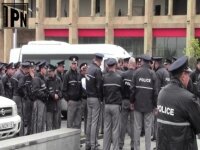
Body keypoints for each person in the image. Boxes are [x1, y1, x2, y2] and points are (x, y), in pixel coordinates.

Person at [157, 56, 200, 150]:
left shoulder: (162, 93)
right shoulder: (188, 98)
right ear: (183, 75)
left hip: (163, 146)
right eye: (188, 75)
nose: (189, 78)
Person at [130, 54, 158, 150]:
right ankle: (148, 148)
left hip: (137, 105)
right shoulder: (152, 74)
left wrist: (132, 102)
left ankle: (137, 148)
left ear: (142, 61)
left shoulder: (136, 72)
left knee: (137, 128)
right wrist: (155, 106)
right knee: (148, 128)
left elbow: (132, 89)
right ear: (149, 62)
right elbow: (155, 92)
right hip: (149, 106)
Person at [103, 58, 124, 150]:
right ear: (115, 65)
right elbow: (122, 92)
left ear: (108, 66)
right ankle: (115, 148)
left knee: (106, 129)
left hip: (107, 105)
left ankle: (105, 148)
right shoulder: (119, 78)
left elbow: (102, 91)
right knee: (115, 129)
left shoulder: (104, 78)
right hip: (116, 105)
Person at [85, 53, 104, 150]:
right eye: (101, 62)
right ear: (99, 60)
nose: (101, 64)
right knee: (94, 123)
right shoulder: (97, 70)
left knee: (89, 121)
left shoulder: (89, 68)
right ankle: (94, 145)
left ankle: (87, 143)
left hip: (88, 97)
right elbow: (99, 86)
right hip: (95, 98)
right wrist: (101, 98)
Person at [151, 57, 170, 142]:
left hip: (160, 99)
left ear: (157, 63)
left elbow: (156, 89)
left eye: (154, 63)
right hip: (167, 99)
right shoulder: (166, 72)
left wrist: (155, 103)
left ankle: (156, 137)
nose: (153, 65)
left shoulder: (158, 73)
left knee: (157, 120)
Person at [119, 57, 136, 150]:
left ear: (129, 64)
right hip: (133, 102)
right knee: (133, 124)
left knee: (123, 123)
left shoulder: (123, 74)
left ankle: (120, 144)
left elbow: (120, 88)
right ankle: (133, 145)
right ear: (135, 65)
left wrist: (122, 98)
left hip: (124, 101)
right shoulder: (136, 75)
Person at [62, 56, 82, 129]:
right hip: (72, 102)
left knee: (78, 122)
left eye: (75, 63)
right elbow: (64, 89)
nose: (74, 65)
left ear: (77, 64)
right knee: (70, 122)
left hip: (79, 102)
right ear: (70, 64)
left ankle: (76, 139)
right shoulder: (67, 75)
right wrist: (69, 100)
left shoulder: (79, 74)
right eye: (73, 64)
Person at [11, 62, 30, 136]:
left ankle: (16, 133)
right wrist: (24, 95)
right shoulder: (22, 75)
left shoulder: (16, 73)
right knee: (20, 115)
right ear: (25, 68)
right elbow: (20, 88)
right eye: (28, 69)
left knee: (16, 115)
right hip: (19, 97)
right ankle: (21, 134)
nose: (28, 71)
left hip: (14, 96)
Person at [31, 61, 48, 133]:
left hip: (43, 102)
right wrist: (44, 95)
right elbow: (36, 91)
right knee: (38, 120)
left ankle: (41, 135)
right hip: (38, 101)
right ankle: (36, 136)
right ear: (41, 69)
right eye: (45, 68)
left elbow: (44, 89)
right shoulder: (36, 78)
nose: (46, 70)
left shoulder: (43, 78)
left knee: (42, 120)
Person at [46, 64, 62, 131]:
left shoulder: (58, 79)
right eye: (48, 71)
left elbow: (61, 90)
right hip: (49, 104)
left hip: (57, 104)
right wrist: (52, 95)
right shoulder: (46, 80)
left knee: (56, 123)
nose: (49, 73)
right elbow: (45, 91)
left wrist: (59, 95)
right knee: (49, 123)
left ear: (54, 71)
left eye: (50, 71)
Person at [80, 62, 88, 134]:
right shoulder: (79, 77)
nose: (85, 71)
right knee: (79, 117)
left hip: (88, 99)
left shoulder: (88, 77)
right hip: (82, 99)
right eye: (83, 69)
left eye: (86, 69)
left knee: (87, 118)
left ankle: (86, 132)